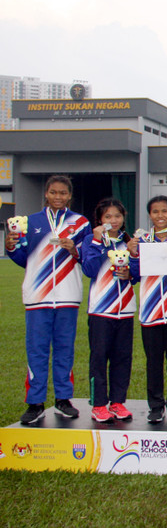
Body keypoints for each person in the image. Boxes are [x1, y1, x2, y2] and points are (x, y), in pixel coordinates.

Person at [6, 175, 91, 424]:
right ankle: (35, 402)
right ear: (46, 193)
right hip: (37, 297)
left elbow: (88, 257)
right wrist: (11, 246)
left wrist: (74, 250)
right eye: (53, 192)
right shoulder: (30, 222)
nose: (58, 197)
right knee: (37, 351)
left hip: (67, 297)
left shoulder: (80, 223)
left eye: (63, 193)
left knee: (65, 349)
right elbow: (23, 257)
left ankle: (63, 399)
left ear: (69, 195)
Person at [128, 195, 167, 424]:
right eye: (155, 212)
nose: (160, 215)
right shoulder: (142, 241)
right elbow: (134, 274)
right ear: (150, 215)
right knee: (153, 362)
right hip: (150, 312)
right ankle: (155, 406)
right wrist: (133, 253)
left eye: (165, 211)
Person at [81, 198, 136, 423]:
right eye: (108, 217)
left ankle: (117, 402)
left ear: (124, 218)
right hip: (100, 311)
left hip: (125, 311)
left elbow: (140, 274)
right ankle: (99, 404)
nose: (113, 221)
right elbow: (90, 269)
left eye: (117, 216)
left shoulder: (130, 242)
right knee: (99, 358)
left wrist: (131, 271)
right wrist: (98, 243)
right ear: (100, 220)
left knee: (122, 358)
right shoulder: (91, 240)